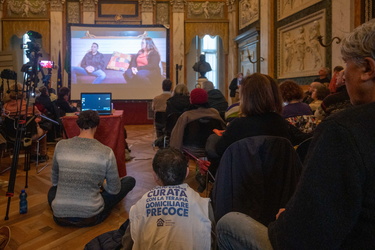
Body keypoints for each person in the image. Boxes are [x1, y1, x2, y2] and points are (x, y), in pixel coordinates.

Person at [216, 19, 375, 249]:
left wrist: (285, 220)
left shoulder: (343, 129)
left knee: (228, 223)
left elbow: (302, 236)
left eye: (346, 66)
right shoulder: (282, 124)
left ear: (367, 69)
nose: (342, 78)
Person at [48, 110, 136, 227]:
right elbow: (114, 190)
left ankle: (65, 204)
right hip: (91, 216)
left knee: (52, 191)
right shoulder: (106, 152)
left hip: (60, 216)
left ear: (78, 124)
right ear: (97, 125)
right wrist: (103, 183)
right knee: (129, 181)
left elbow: (55, 181)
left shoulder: (61, 145)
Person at [120, 148, 214, 249]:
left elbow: (127, 245)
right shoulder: (203, 205)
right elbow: (212, 241)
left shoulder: (140, 206)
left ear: (155, 176)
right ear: (187, 172)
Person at [210, 73, 291, 158]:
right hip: (276, 170)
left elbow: (220, 150)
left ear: (245, 98)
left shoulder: (238, 125)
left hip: (242, 170)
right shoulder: (281, 123)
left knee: (212, 139)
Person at [3, 82, 48, 162]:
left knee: (33, 128)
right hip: (27, 134)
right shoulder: (29, 106)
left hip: (11, 135)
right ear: (23, 93)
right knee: (42, 130)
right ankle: (42, 155)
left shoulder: (5, 106)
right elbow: (39, 116)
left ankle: (33, 153)